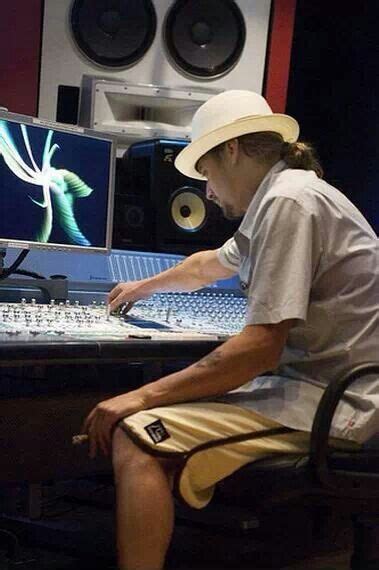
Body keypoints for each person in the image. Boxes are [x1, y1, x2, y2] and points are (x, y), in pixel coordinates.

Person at [82, 90, 378, 570]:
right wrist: (143, 285)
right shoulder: (285, 196)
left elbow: (259, 349)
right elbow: (208, 266)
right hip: (323, 390)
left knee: (137, 433)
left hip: (336, 405)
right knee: (161, 407)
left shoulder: (288, 203)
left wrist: (139, 398)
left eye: (206, 171)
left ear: (232, 150)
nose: (207, 192)